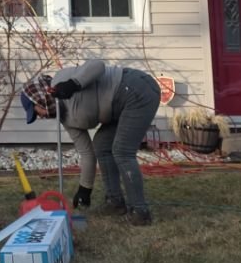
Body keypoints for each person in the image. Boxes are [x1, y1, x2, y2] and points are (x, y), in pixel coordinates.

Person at [25, 58, 161, 223]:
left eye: (35, 112)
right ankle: (115, 202)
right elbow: (86, 153)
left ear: (38, 98)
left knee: (122, 150)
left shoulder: (62, 79)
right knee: (101, 145)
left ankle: (140, 212)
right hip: (117, 110)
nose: (39, 116)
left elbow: (97, 65)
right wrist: (85, 189)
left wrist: (73, 84)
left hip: (136, 89)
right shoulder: (65, 118)